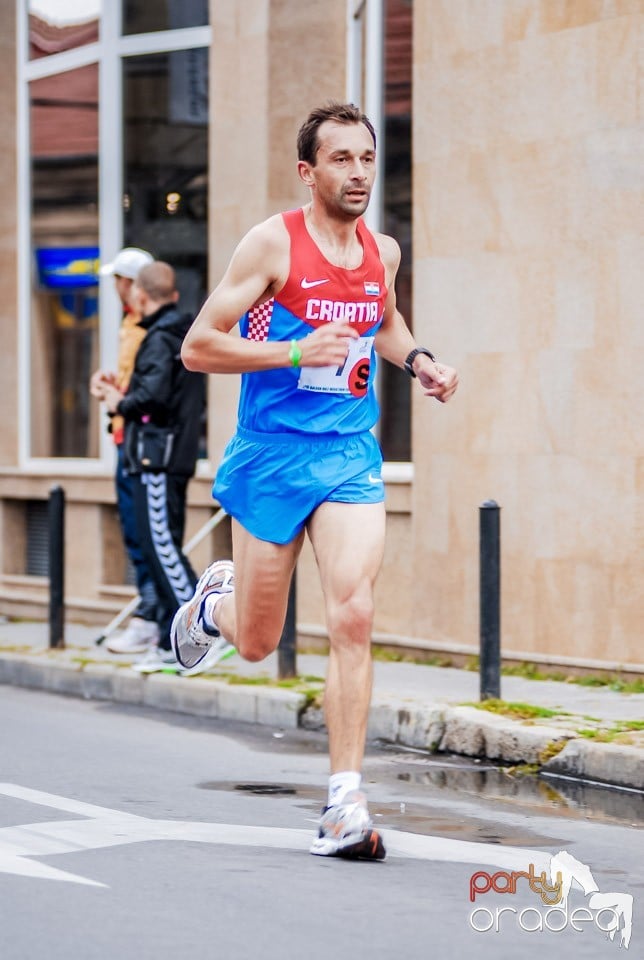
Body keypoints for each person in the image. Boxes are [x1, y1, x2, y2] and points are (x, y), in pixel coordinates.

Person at [170, 102, 458, 858]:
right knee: (260, 644)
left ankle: (343, 802)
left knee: (354, 614)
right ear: (309, 170)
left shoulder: (383, 253)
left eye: (367, 158)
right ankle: (214, 606)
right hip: (270, 455)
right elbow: (200, 348)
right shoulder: (271, 245)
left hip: (349, 455)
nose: (359, 172)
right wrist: (296, 355)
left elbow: (383, 320)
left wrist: (420, 360)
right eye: (342, 159)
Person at [97, 261, 219, 674]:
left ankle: (199, 638)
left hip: (158, 459)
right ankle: (175, 641)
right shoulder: (177, 334)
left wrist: (117, 403)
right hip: (169, 456)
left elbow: (152, 396)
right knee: (161, 546)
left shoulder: (158, 337)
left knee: (162, 550)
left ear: (141, 297)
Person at [91, 246, 160, 655]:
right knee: (136, 535)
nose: (116, 288)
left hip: (141, 443)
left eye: (119, 280)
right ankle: (148, 614)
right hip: (125, 437)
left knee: (145, 536)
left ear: (133, 284)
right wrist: (112, 384)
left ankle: (151, 618)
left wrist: (117, 397)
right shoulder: (132, 322)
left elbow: (151, 391)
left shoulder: (151, 327)